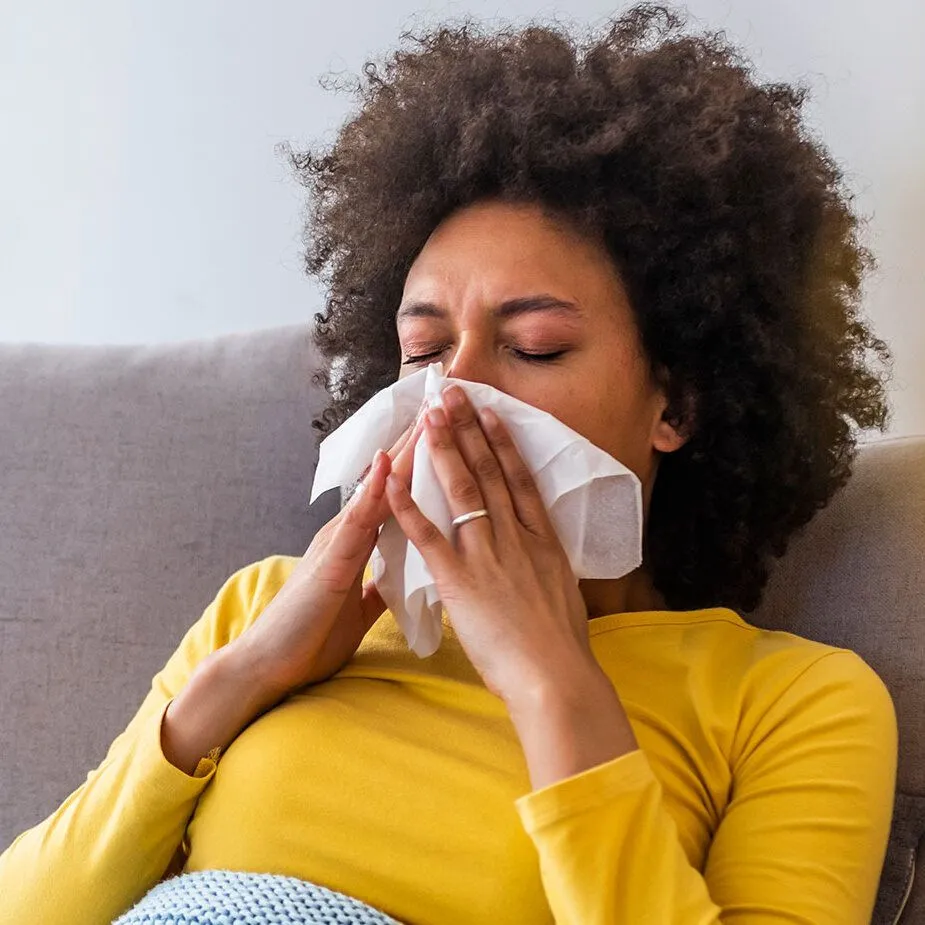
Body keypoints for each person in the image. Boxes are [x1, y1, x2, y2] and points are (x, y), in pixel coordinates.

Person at [0, 5, 897, 923]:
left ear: (678, 403)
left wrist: (552, 680)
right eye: (424, 350)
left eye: (536, 347)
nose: (453, 390)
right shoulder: (270, 606)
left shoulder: (787, 700)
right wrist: (247, 673)